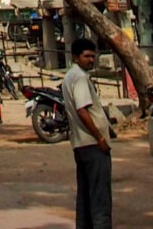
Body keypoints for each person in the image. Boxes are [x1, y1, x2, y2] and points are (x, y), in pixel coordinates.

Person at [61, 37, 112, 229]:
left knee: (85, 198)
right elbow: (82, 110)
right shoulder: (80, 77)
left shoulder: (70, 76)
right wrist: (99, 137)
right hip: (92, 145)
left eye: (93, 56)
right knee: (99, 199)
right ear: (76, 57)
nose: (91, 60)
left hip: (81, 145)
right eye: (87, 56)